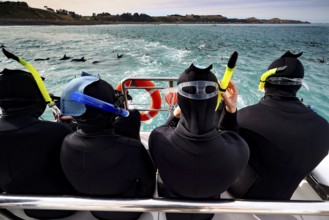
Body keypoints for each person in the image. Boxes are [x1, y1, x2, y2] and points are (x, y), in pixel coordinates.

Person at [149, 64, 250, 220]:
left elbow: (163, 129)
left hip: (173, 213)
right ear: (216, 99)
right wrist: (231, 110)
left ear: (180, 101)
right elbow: (230, 135)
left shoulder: (157, 139)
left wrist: (174, 116)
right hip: (207, 214)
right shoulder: (239, 151)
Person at [228, 51, 329, 200]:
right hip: (284, 197)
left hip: (244, 194)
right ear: (299, 85)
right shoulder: (323, 127)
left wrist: (226, 112)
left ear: (265, 82)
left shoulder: (244, 118)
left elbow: (220, 147)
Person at [59, 73, 156, 220]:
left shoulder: (66, 142)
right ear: (112, 109)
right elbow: (148, 187)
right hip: (130, 214)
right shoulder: (132, 149)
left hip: (94, 211)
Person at [0, 68, 75, 219]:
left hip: (13, 207)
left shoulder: (55, 131)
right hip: (61, 209)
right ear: (38, 99)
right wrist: (70, 128)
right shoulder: (57, 133)